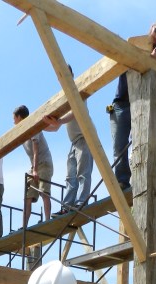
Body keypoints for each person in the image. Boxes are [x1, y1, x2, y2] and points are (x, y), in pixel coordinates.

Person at [109, 17, 156, 190]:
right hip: (122, 103)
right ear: (151, 27)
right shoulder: (134, 43)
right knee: (119, 145)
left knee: (142, 143)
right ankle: (122, 181)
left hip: (142, 103)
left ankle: (141, 180)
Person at [43, 65, 93, 215]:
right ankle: (67, 206)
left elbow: (77, 112)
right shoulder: (63, 97)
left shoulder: (77, 89)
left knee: (83, 173)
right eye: (60, 75)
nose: (63, 77)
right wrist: (41, 127)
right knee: (70, 176)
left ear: (71, 74)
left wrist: (58, 122)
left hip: (85, 137)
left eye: (66, 74)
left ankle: (80, 203)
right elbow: (56, 127)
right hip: (74, 142)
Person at [13, 105, 53, 226]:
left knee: (43, 191)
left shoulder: (33, 127)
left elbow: (36, 151)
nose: (13, 122)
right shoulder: (22, 132)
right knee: (28, 196)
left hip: (44, 163)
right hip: (34, 166)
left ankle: (47, 220)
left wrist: (35, 170)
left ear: (19, 117)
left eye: (14, 118)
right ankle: (23, 226)